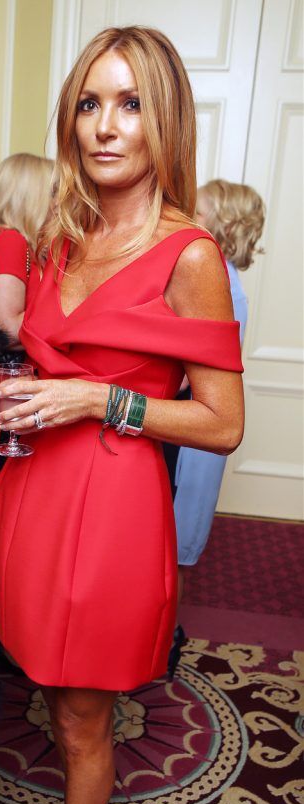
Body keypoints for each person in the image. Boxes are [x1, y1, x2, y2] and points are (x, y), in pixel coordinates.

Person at [0, 26, 244, 804]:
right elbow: (39, 353)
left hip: (114, 509)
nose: (106, 126)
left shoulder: (192, 256)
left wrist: (102, 400)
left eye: (130, 104)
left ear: (163, 119)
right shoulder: (63, 234)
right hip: (35, 492)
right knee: (34, 673)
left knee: (82, 715)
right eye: (90, 103)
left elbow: (222, 422)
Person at [167, 179, 265, 676]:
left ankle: (164, 637)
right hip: (191, 430)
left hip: (196, 434)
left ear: (221, 227)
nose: (188, 216)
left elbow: (195, 374)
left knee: (176, 543)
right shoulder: (217, 276)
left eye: (198, 211)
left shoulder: (218, 284)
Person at [0, 153, 54, 497]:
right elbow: (5, 324)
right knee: (4, 502)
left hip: (6, 394)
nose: (60, 202)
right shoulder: (11, 241)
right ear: (30, 196)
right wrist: (72, 329)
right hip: (5, 395)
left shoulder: (2, 240)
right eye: (53, 192)